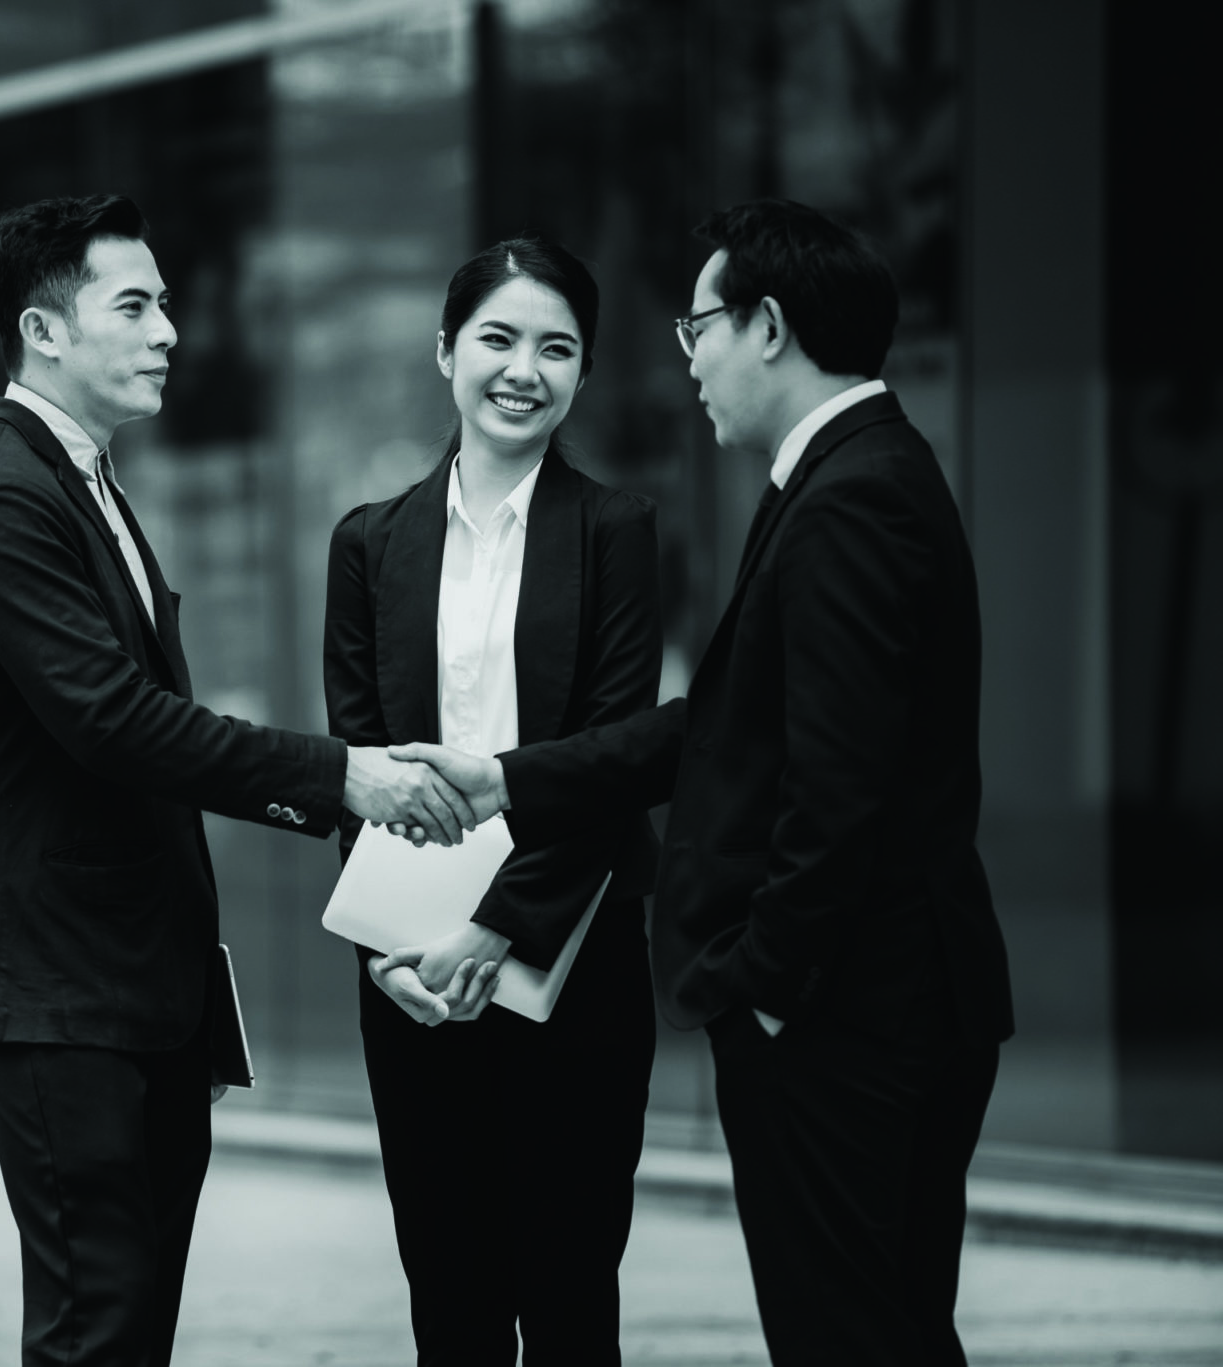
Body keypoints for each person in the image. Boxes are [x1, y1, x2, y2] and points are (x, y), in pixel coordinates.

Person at [394, 200, 1014, 1366]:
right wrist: (503, 777)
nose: (688, 359)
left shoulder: (850, 495)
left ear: (766, 326)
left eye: (699, 324)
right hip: (872, 997)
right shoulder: (845, 474)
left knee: (847, 1333)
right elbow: (725, 725)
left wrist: (764, 982)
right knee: (883, 1325)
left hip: (845, 1011)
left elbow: (841, 785)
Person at [0, 193, 477, 1367]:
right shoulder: (0, 495)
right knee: (96, 1327)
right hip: (60, 990)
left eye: (165, 301)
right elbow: (114, 724)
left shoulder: (84, 482)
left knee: (130, 1326)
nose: (170, 328)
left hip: (130, 989)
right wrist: (341, 778)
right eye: (136, 304)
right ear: (44, 330)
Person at [323, 238, 663, 1365]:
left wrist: (495, 928)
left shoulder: (616, 534)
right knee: (451, 1298)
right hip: (413, 982)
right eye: (498, 338)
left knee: (569, 1296)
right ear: (443, 352)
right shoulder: (367, 544)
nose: (524, 368)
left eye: (556, 347)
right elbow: (355, 773)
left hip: (572, 963)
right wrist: (390, 953)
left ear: (579, 372)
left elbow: (613, 761)